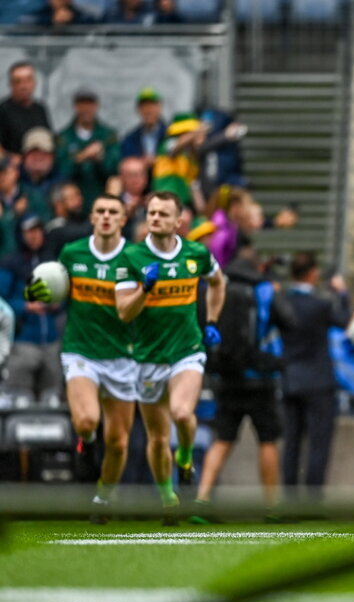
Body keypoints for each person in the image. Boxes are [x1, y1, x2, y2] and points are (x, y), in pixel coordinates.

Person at [24, 194, 137, 523]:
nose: (105, 216)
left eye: (112, 212)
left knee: (117, 442)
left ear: (123, 218)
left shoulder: (134, 257)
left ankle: (103, 498)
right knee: (87, 420)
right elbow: (55, 293)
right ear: (91, 217)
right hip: (81, 350)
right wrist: (39, 295)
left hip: (123, 356)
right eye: (100, 210)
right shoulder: (72, 254)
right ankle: (86, 442)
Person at [114, 191, 225, 524]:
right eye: (151, 213)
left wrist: (212, 321)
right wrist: (144, 289)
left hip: (187, 350)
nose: (155, 218)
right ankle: (168, 500)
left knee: (181, 411)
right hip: (148, 357)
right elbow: (123, 313)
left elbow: (218, 282)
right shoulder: (130, 257)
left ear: (179, 221)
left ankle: (187, 456)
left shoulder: (196, 254)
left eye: (163, 214)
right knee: (158, 437)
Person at [191, 242, 296, 522]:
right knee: (268, 440)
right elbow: (291, 321)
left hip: (225, 378)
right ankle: (272, 508)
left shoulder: (217, 288)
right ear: (258, 266)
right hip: (261, 378)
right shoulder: (264, 291)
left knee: (222, 439)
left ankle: (202, 501)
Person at [279, 252, 350, 501]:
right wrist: (342, 295)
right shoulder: (320, 306)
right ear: (312, 273)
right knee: (319, 443)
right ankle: (313, 498)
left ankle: (289, 497)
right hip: (319, 381)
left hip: (290, 379)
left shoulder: (283, 302)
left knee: (291, 442)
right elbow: (344, 322)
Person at [0, 216, 62, 406]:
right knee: (20, 400)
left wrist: (57, 303)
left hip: (51, 342)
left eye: (38, 231)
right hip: (22, 342)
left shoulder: (52, 261)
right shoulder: (10, 263)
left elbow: (66, 294)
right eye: (30, 232)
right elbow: (2, 301)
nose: (35, 236)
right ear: (21, 234)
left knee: (52, 400)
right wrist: (25, 306)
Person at [55, 88, 120, 210]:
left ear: (96, 106)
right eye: (82, 104)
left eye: (89, 104)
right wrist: (82, 157)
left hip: (101, 196)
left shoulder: (108, 136)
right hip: (73, 204)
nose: (86, 109)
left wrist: (100, 159)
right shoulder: (64, 137)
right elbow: (62, 170)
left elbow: (114, 168)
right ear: (75, 107)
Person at [0, 61, 51, 156]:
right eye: (18, 81)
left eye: (28, 80)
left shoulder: (40, 109)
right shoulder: (3, 110)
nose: (24, 86)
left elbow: (49, 137)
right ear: (11, 85)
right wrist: (10, 159)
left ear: (34, 83)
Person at [20, 127, 60, 223]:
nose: (39, 157)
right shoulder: (12, 183)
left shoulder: (62, 183)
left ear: (53, 156)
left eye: (44, 152)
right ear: (24, 156)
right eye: (33, 152)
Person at [119, 87, 166, 168]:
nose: (147, 110)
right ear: (138, 110)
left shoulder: (170, 134)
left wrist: (157, 161)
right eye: (143, 106)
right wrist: (141, 162)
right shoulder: (130, 139)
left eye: (151, 105)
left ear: (159, 107)